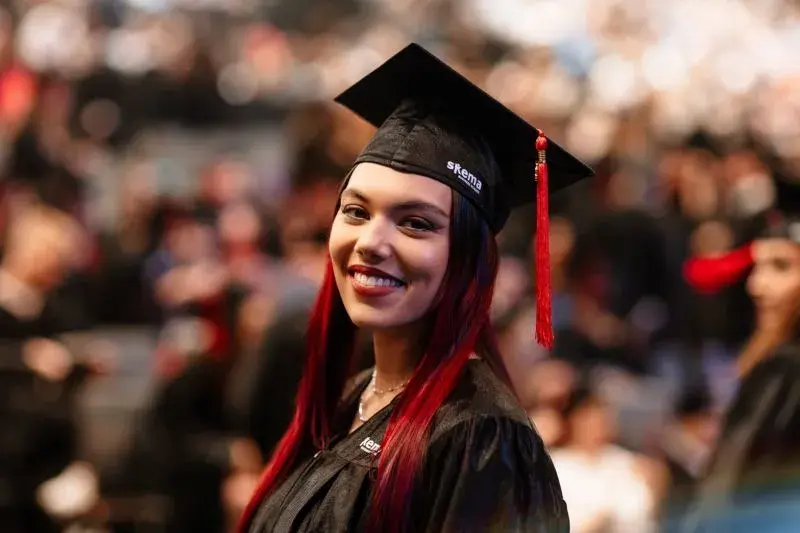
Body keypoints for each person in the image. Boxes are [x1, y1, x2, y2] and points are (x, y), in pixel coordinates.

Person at [238, 43, 593, 533]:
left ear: (467, 257)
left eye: (415, 223)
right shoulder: (354, 398)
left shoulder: (480, 441)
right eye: (356, 211)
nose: (370, 242)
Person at [680, 191, 800, 532]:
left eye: (781, 266)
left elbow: (728, 489)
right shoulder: (772, 362)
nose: (756, 285)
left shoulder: (786, 371)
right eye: (757, 267)